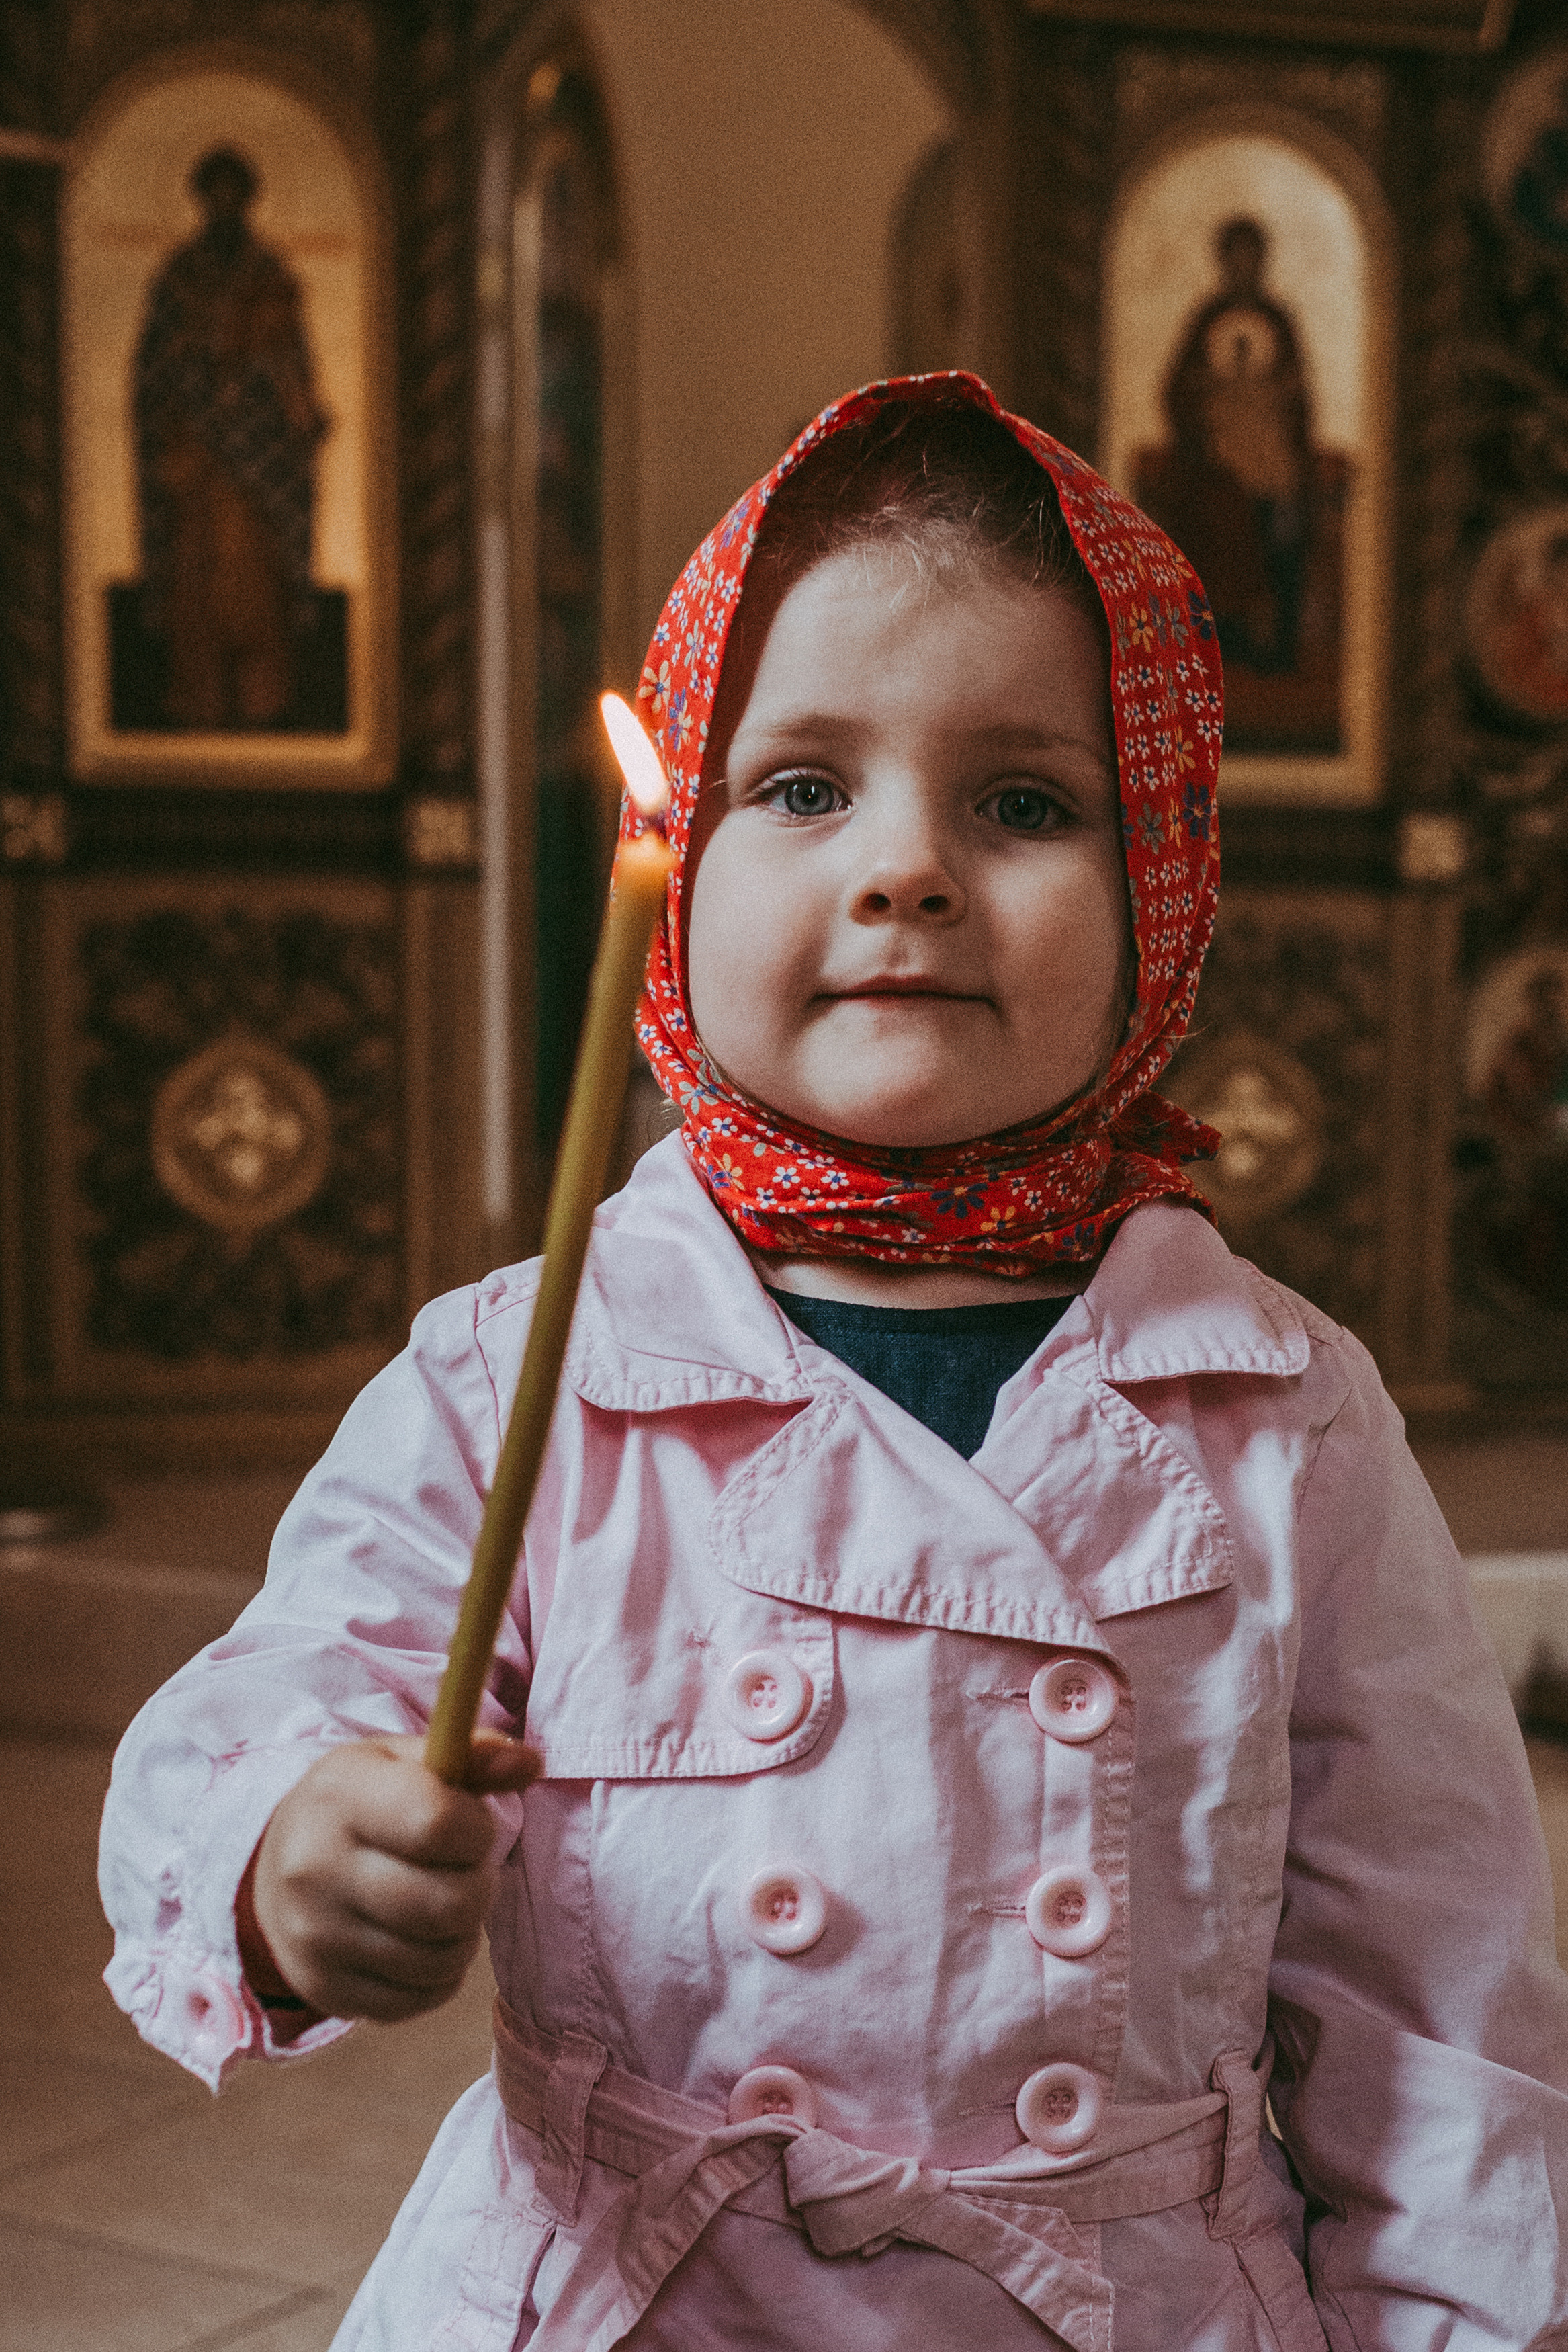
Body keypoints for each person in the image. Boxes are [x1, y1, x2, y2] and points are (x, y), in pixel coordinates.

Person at [99, 374, 1568, 2350]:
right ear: (670, 872)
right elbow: (262, 1703)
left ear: (1167, 890)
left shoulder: (1280, 1415)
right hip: (625, 2289)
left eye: (1025, 800)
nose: (909, 867)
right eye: (802, 785)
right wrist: (290, 1842)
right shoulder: (522, 1375)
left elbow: (1434, 1998)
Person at [134, 145, 329, 730]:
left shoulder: (271, 277)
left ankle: (264, 705)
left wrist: (277, 393)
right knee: (197, 578)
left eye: (232, 192)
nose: (223, 204)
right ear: (202, 199)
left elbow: (294, 367)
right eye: (212, 192)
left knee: (253, 586)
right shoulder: (179, 276)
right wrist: (192, 391)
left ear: (245, 199)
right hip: (196, 458)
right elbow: (155, 368)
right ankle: (197, 702)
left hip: (260, 464)